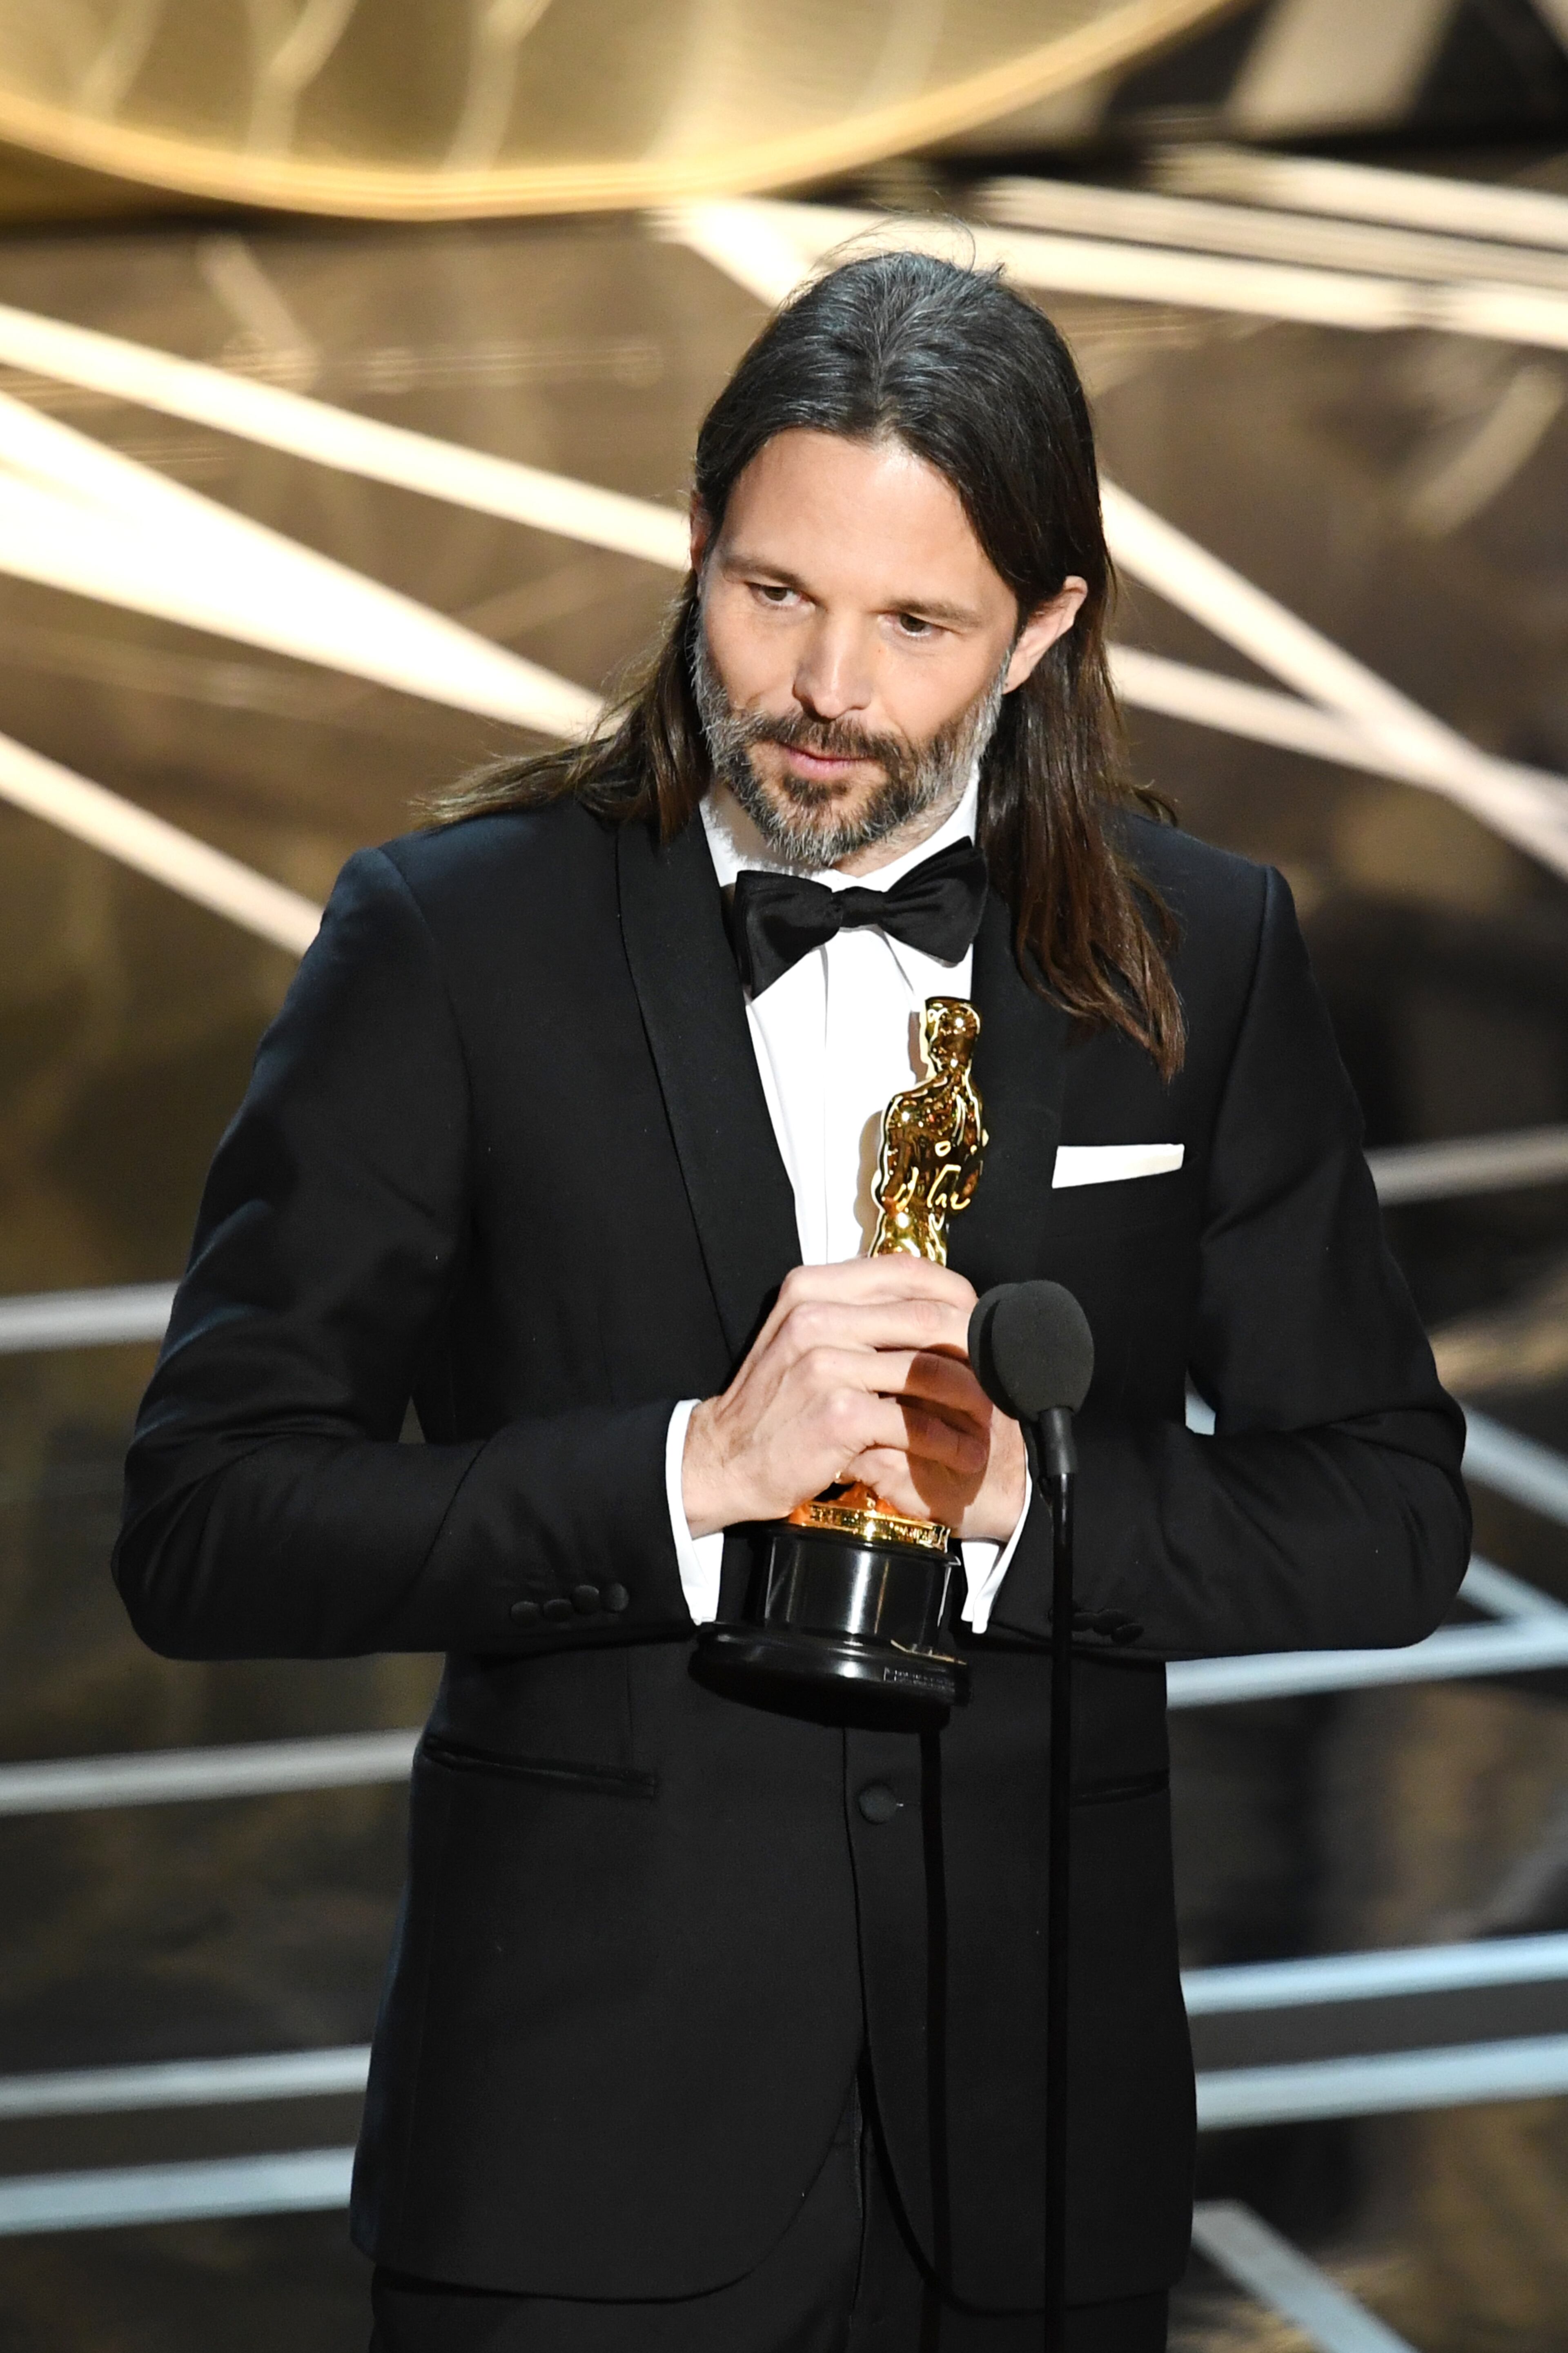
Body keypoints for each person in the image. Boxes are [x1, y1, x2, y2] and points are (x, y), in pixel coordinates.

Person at [113, 252, 1469, 2351]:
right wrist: (686, 1475)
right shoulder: (448, 940)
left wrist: (1029, 1502)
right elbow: (204, 1522)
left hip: (1035, 2161)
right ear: (693, 548)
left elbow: (1388, 1512)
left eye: (916, 622)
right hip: (571, 2160)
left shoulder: (1210, 947)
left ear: (1043, 631)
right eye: (770, 593)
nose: (822, 683)